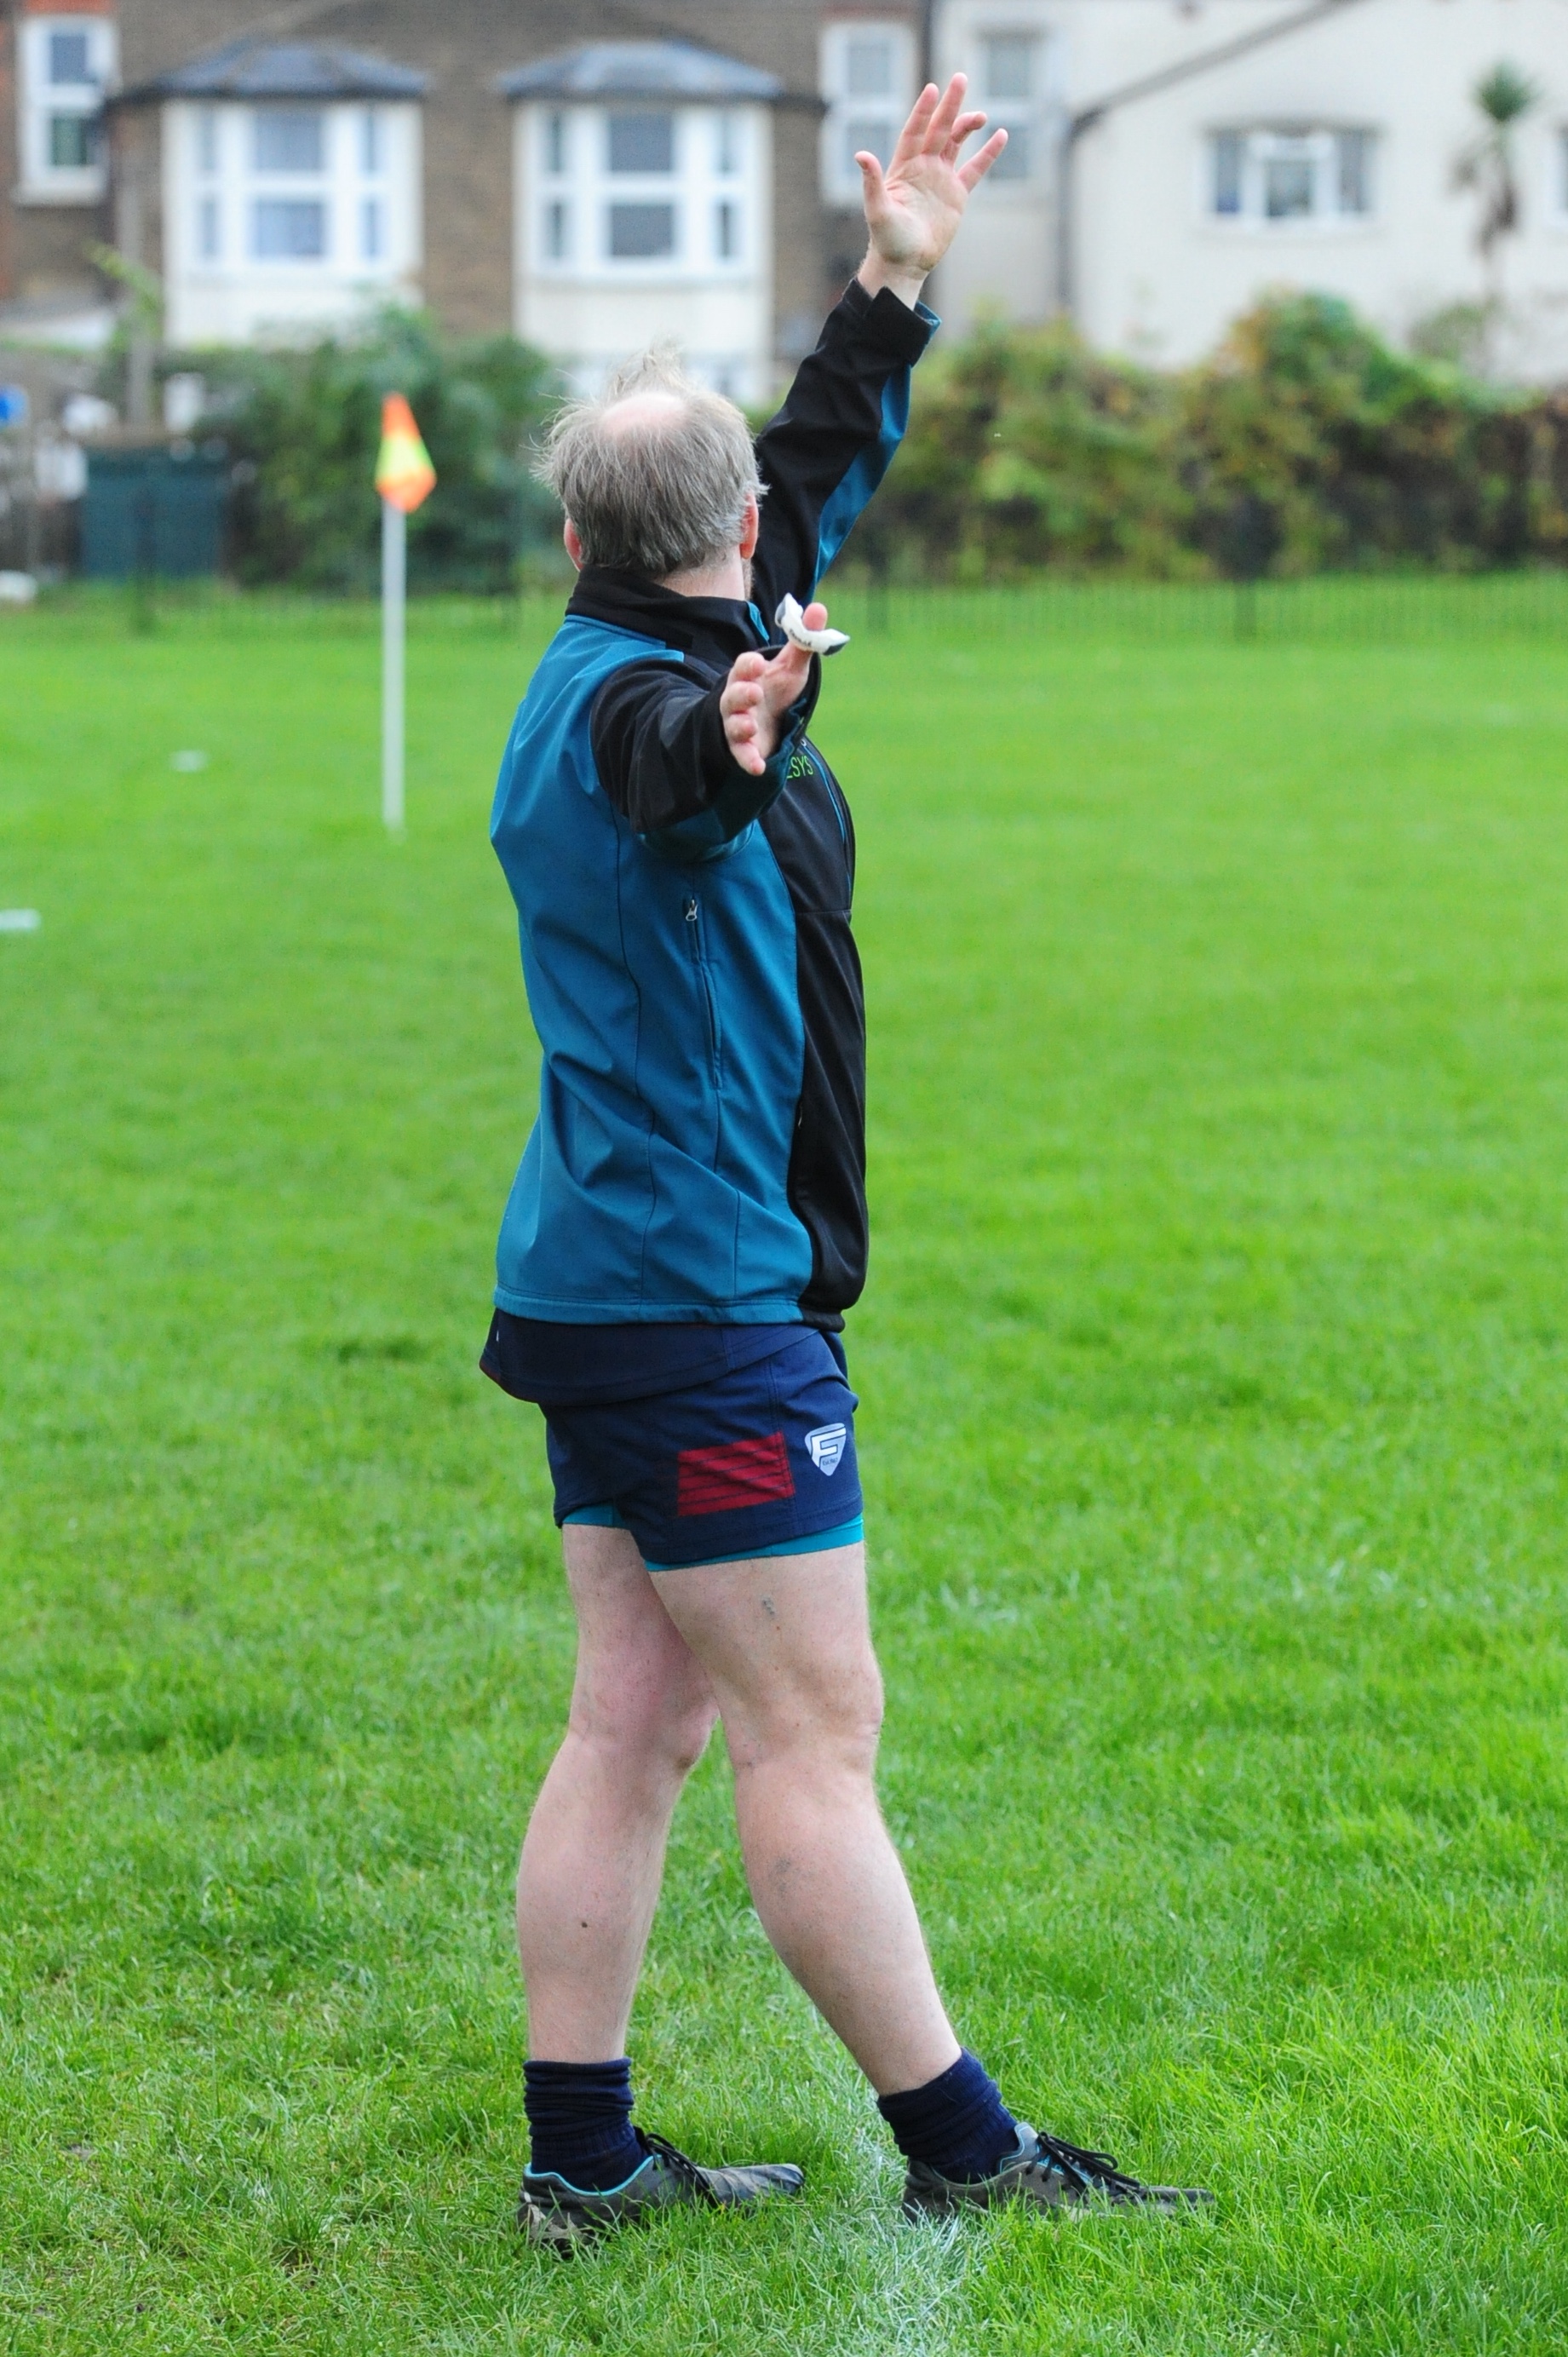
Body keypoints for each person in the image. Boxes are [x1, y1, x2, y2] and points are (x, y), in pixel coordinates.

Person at [482, 76, 1211, 2247]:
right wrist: (739, 749)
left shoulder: (659, 624)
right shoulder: (654, 703)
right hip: (702, 1305)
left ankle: (581, 2156)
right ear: (705, 544)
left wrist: (895, 275)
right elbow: (677, 780)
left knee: (634, 1722)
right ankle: (972, 2152)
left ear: (591, 540)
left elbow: (805, 469)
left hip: (606, 1283)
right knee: (813, 1735)